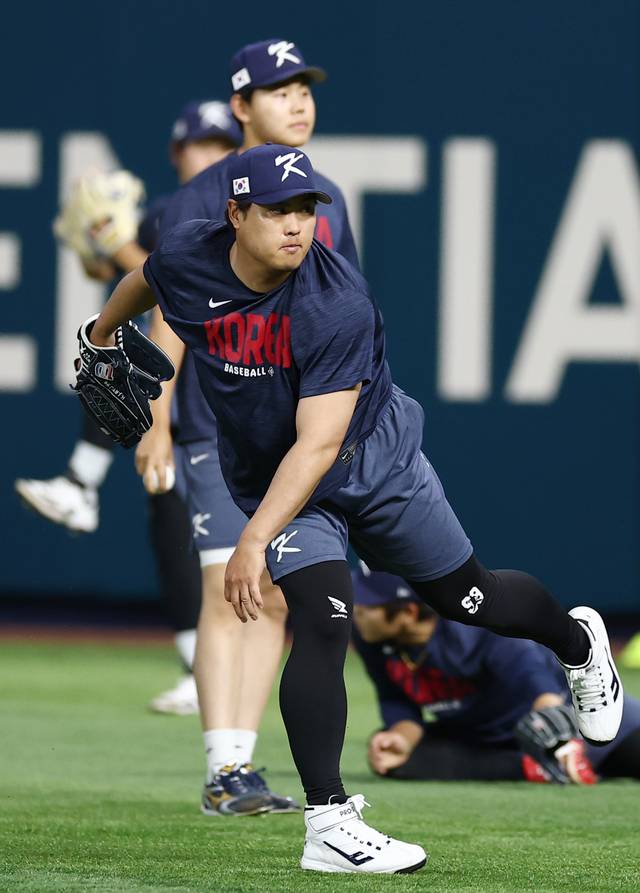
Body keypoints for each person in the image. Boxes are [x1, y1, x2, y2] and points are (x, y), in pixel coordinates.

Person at [84, 143, 623, 875]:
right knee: (322, 616)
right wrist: (100, 333)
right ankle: (329, 825)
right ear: (234, 215)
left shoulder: (335, 303)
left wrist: (252, 542)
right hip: (272, 476)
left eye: (306, 208)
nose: (296, 224)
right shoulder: (190, 255)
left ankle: (577, 642)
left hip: (373, 464)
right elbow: (143, 279)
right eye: (277, 209)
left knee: (471, 596)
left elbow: (319, 444)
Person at [136, 39, 358, 816]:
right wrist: (155, 417)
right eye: (278, 89)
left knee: (271, 595)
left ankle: (242, 766)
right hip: (214, 421)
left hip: (293, 432)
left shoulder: (326, 194)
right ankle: (222, 764)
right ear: (241, 107)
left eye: (305, 88)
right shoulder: (204, 196)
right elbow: (167, 304)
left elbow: (347, 316)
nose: (298, 101)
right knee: (227, 580)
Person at [16, 101, 241, 715]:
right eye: (202, 144)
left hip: (234, 389)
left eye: (224, 142)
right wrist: (104, 242)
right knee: (170, 522)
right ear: (178, 154)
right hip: (185, 391)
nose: (213, 154)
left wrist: (116, 247)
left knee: (243, 557)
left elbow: (172, 285)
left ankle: (80, 481)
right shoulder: (173, 211)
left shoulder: (243, 209)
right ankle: (201, 670)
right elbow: (119, 271)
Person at [352, 565, 640, 783]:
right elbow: (396, 701)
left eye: (367, 606)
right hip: (481, 737)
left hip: (576, 725)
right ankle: (535, 768)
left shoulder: (475, 627)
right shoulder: (371, 640)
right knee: (392, 761)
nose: (356, 611)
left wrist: (559, 739)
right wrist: (400, 739)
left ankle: (552, 762)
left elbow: (536, 681)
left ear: (408, 613)